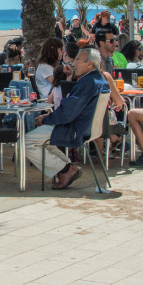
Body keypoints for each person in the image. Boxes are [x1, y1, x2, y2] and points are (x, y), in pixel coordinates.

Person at [24, 48, 110, 189]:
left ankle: (65, 170)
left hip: (74, 129)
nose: (73, 64)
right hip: (84, 127)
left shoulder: (88, 82)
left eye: (77, 60)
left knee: (26, 142)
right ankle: (68, 168)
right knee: (46, 143)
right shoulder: (99, 80)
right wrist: (50, 116)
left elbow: (68, 112)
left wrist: (46, 119)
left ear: (90, 65)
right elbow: (71, 110)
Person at [35, 38, 66, 102]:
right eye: (61, 49)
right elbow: (56, 83)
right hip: (48, 101)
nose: (63, 51)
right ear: (54, 51)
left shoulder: (47, 66)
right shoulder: (45, 67)